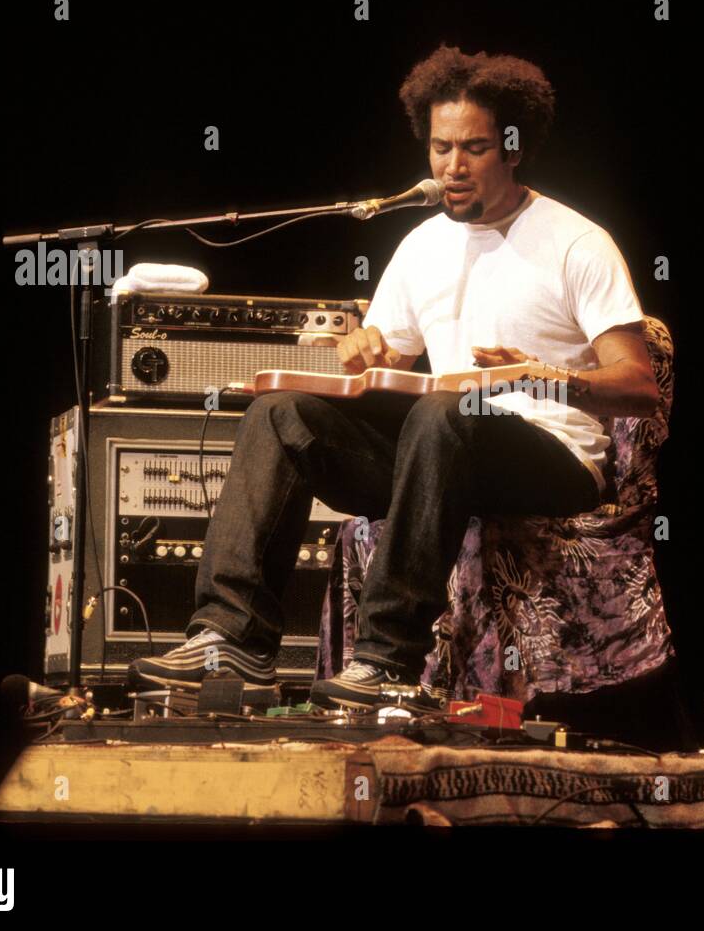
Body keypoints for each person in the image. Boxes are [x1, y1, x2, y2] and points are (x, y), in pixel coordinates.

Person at [129, 44, 660, 711]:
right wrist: (363, 352)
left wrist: (541, 377)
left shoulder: (577, 242)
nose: (452, 167)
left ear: (516, 148)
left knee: (444, 415)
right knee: (281, 413)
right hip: (443, 450)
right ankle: (232, 637)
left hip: (553, 456)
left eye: (474, 148)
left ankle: (387, 659)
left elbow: (638, 386)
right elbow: (389, 372)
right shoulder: (420, 246)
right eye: (440, 148)